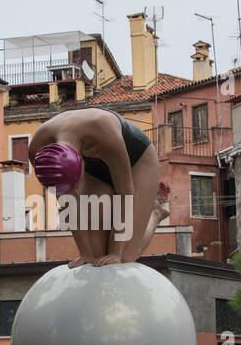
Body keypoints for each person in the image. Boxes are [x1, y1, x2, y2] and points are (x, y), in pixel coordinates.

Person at [28, 106, 169, 267]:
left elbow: (125, 194)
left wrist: (116, 253)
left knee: (124, 258)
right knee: (97, 257)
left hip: (136, 162)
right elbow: (69, 204)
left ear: (78, 166)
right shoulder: (38, 152)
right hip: (93, 169)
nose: (75, 191)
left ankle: (154, 212)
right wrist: (85, 253)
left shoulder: (103, 132)